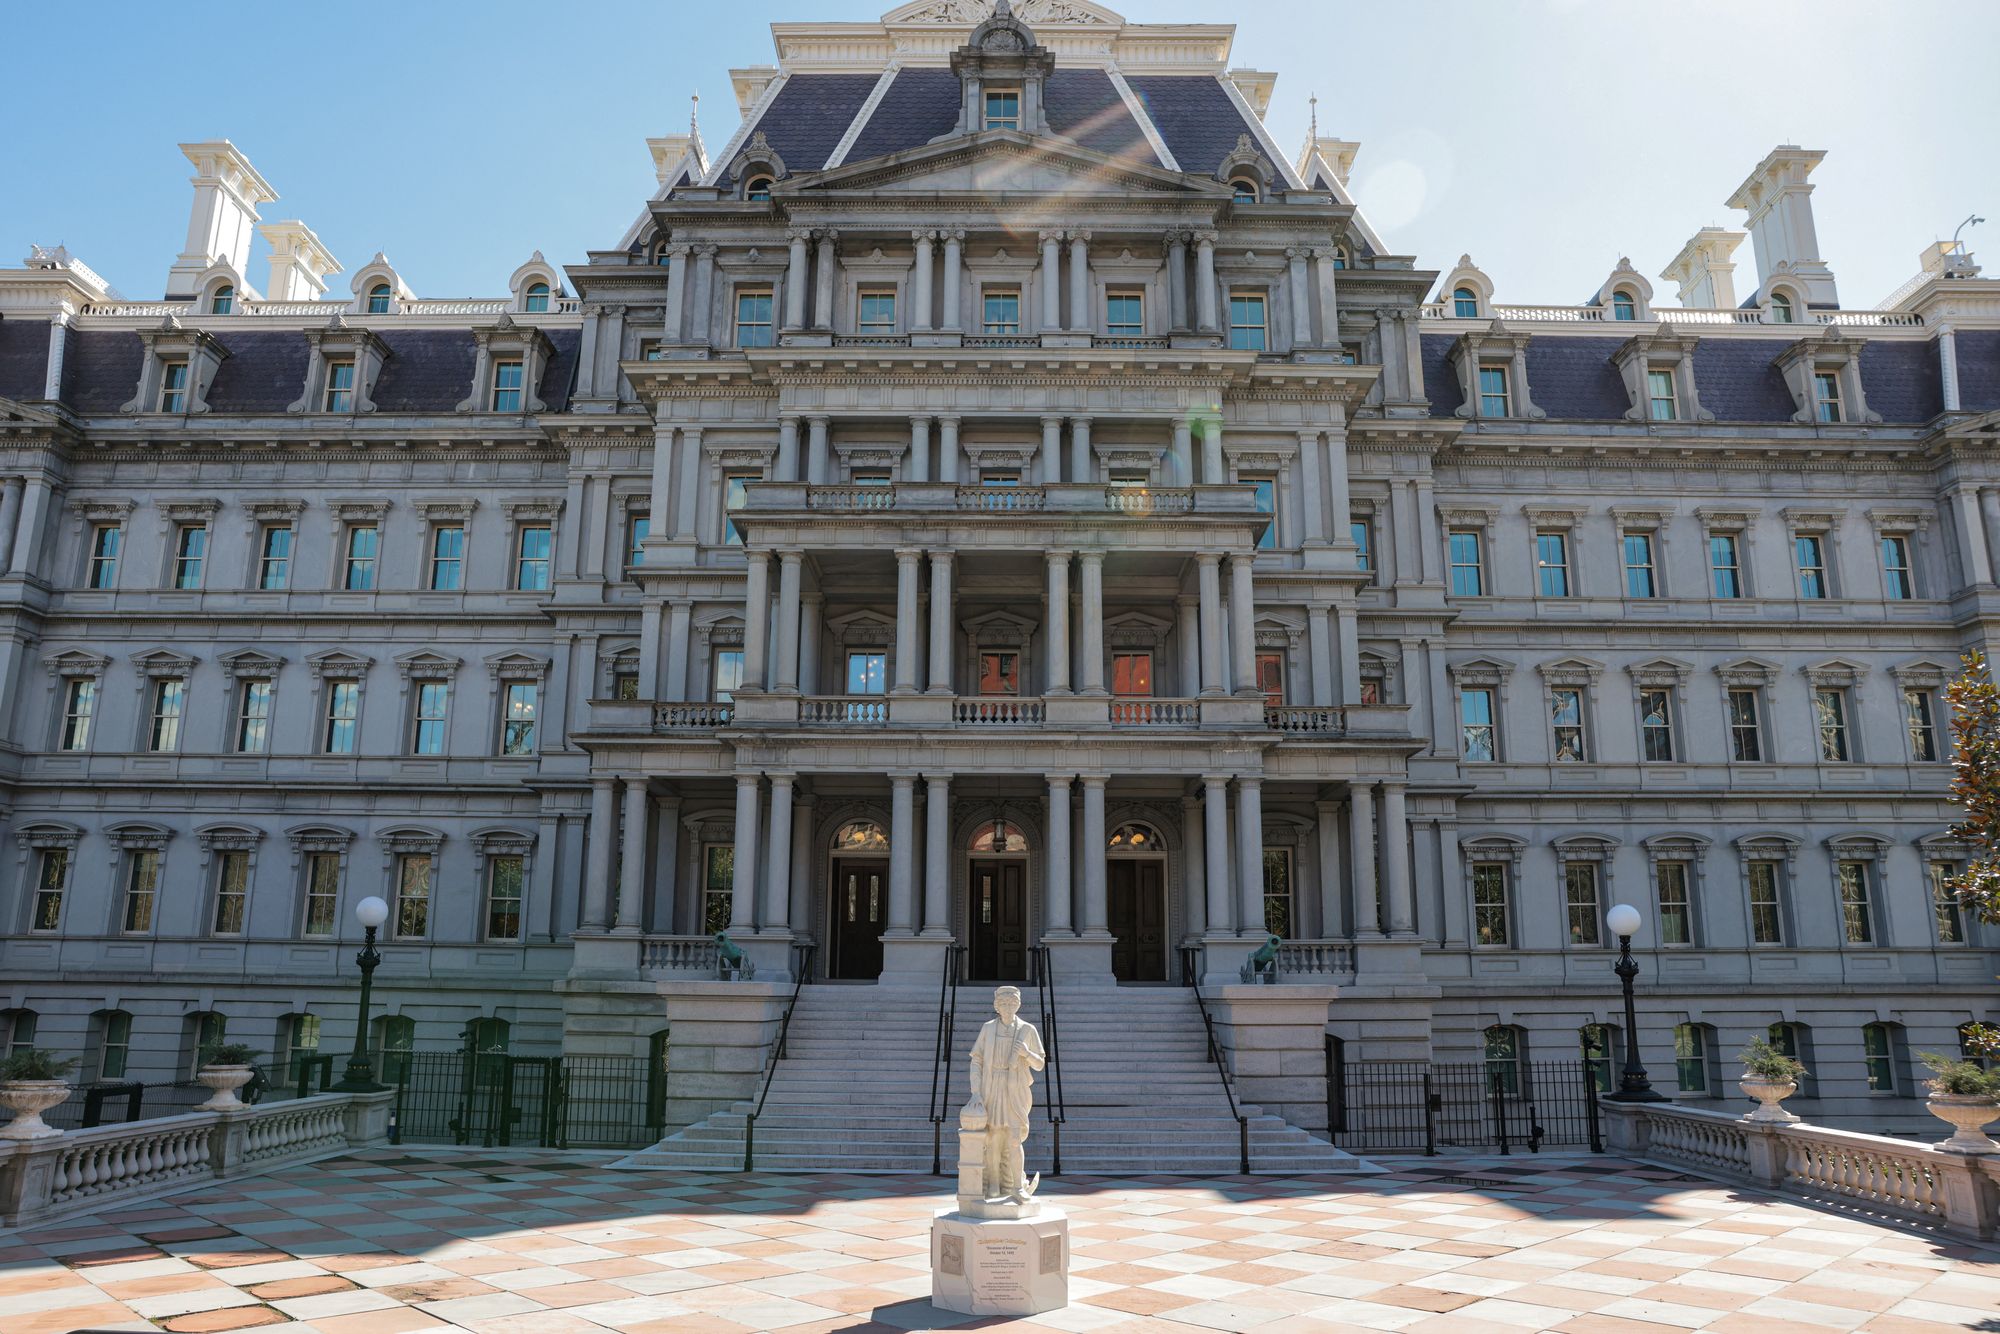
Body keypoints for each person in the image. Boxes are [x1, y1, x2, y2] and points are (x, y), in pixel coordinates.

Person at [964, 985, 1046, 1203]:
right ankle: (993, 1185)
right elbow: (977, 1060)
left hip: (1015, 1091)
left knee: (1014, 1139)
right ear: (996, 1006)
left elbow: (1040, 1064)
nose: (1008, 1007)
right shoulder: (988, 1028)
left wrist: (1026, 1053)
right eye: (1003, 1004)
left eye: (1012, 1003)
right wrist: (975, 1092)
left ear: (1018, 1005)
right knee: (993, 1138)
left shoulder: (1027, 1030)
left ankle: (1017, 1187)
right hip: (992, 1088)